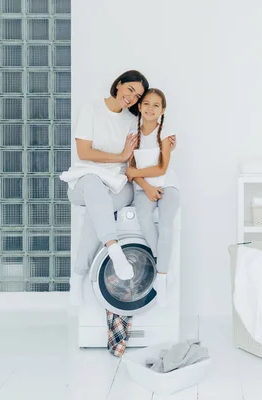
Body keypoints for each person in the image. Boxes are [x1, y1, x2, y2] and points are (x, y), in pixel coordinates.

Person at [59, 70, 172, 305]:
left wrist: (168, 143)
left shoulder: (132, 121)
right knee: (93, 185)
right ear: (119, 85)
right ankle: (114, 248)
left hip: (117, 184)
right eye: (130, 89)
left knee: (96, 211)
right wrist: (120, 155)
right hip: (84, 180)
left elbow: (151, 132)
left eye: (138, 95)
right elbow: (84, 153)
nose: (132, 97)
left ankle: (78, 273)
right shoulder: (90, 109)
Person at [125, 88, 180, 305]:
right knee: (145, 219)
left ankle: (162, 277)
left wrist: (135, 174)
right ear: (139, 106)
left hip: (168, 186)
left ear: (163, 110)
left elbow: (161, 168)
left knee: (165, 225)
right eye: (146, 103)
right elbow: (129, 166)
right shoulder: (133, 132)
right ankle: (162, 263)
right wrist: (146, 187)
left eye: (156, 105)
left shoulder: (166, 132)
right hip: (142, 188)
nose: (150, 108)